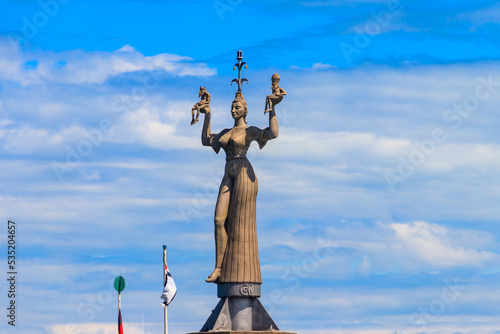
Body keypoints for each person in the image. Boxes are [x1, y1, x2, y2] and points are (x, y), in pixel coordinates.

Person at [201, 91, 279, 283]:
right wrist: (207, 115)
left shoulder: (248, 131)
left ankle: (239, 270)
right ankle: (218, 268)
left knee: (240, 222)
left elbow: (273, 133)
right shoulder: (227, 132)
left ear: (245, 110)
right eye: (232, 108)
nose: (233, 110)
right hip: (229, 172)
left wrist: (273, 109)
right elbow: (206, 139)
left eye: (237, 107)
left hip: (244, 172)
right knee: (219, 220)